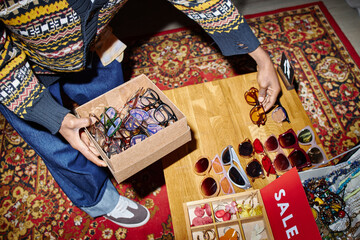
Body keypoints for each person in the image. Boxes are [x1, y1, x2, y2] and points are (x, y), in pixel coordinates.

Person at [0, 0, 280, 228]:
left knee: (112, 112)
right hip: (18, 72)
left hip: (97, 44)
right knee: (58, 146)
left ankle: (118, 156)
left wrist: (258, 55)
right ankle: (98, 199)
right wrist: (49, 115)